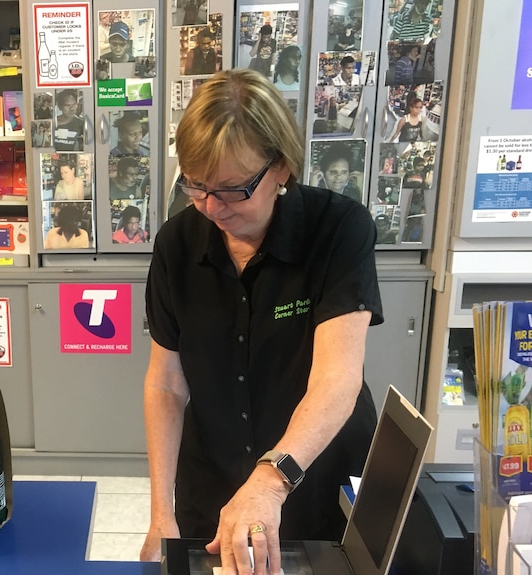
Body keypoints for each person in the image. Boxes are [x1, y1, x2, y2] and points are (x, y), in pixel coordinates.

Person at [139, 69, 382, 575]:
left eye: (232, 189)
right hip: (214, 482)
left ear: (283, 168)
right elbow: (166, 383)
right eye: (195, 185)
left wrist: (271, 481)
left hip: (316, 474)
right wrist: (162, 513)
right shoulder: (177, 243)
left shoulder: (339, 230)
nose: (211, 206)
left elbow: (337, 379)